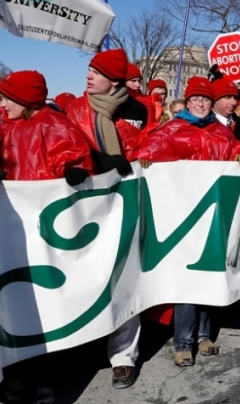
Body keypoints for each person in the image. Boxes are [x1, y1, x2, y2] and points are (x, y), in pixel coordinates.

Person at [0, 70, 94, 404]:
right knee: (11, 300)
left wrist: (76, 168)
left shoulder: (56, 126)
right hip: (8, 231)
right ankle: (14, 372)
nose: (0, 104)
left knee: (43, 302)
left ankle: (44, 376)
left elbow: (75, 155)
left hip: (44, 235)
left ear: (25, 101)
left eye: (6, 98)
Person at [136, 77, 240, 367]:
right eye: (195, 99)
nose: (201, 104)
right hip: (183, 219)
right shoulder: (172, 129)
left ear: (212, 104)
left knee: (209, 276)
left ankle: (204, 335)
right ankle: (183, 342)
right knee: (187, 281)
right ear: (187, 102)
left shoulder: (220, 132)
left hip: (213, 217)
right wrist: (148, 158)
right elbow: (147, 150)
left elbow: (239, 150)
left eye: (205, 100)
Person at [62, 48, 145, 389]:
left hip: (127, 201)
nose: (87, 77)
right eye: (88, 71)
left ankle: (124, 357)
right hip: (87, 203)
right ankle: (82, 345)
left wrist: (131, 162)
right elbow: (65, 148)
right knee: (86, 276)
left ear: (113, 82)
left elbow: (148, 148)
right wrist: (87, 164)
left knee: (125, 276)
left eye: (94, 72)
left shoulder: (137, 109)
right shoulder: (74, 110)